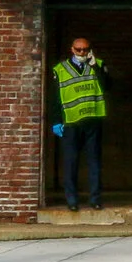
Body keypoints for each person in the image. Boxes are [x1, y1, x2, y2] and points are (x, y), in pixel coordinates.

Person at [52, 36, 109, 212]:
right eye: (79, 50)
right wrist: (56, 121)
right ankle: (72, 200)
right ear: (72, 49)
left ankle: (95, 199)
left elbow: (107, 86)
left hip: (93, 120)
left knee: (94, 162)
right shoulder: (60, 69)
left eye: (85, 49)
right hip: (70, 122)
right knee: (70, 163)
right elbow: (55, 97)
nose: (82, 53)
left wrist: (95, 67)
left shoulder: (98, 64)